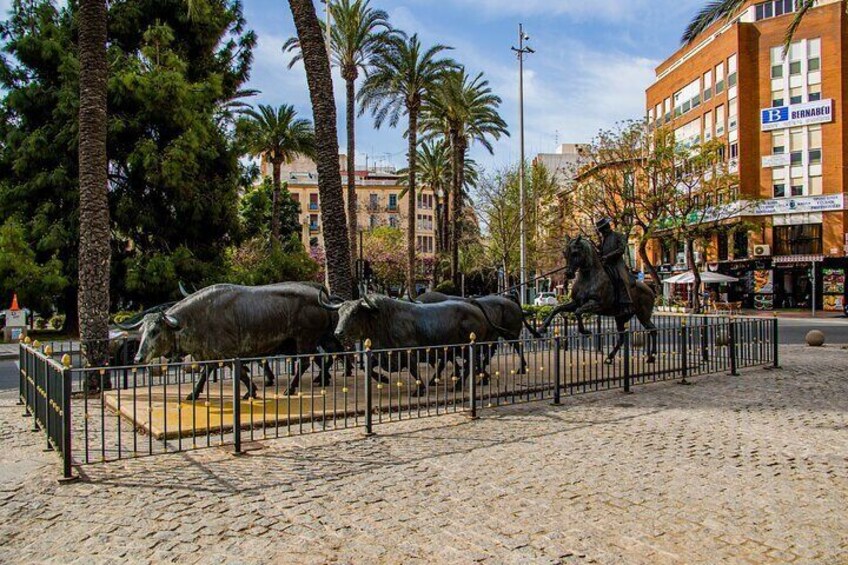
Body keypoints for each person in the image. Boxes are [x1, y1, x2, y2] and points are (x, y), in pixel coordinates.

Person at [595, 218, 634, 316]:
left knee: (619, 278)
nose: (602, 232)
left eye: (602, 229)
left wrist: (607, 256)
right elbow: (603, 253)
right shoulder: (604, 239)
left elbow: (621, 250)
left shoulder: (618, 236)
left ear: (607, 227)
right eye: (600, 230)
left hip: (617, 263)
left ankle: (625, 303)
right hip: (606, 264)